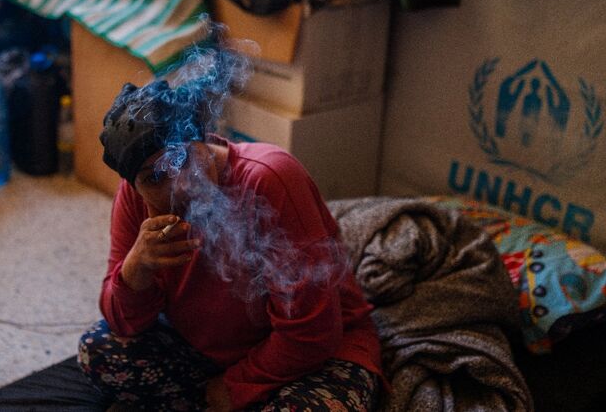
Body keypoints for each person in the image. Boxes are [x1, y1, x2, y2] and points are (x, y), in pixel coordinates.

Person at [78, 75, 383, 411]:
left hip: (313, 358)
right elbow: (122, 322)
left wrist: (235, 386)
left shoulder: (269, 178)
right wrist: (138, 266)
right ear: (135, 185)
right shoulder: (134, 199)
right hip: (206, 354)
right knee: (98, 350)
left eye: (182, 159)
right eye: (154, 178)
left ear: (202, 140)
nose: (178, 185)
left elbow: (312, 334)